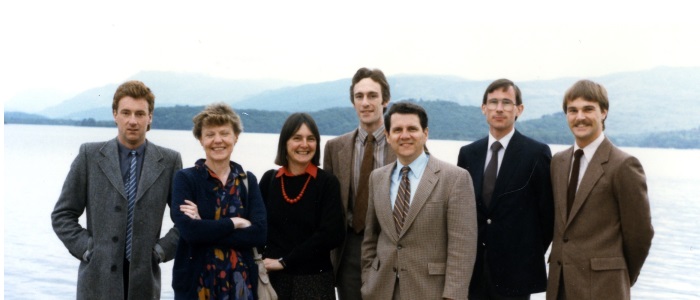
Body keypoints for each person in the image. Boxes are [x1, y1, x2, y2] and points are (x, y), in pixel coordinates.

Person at [51, 80, 182, 299]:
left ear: (150, 117)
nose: (132, 121)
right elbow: (62, 215)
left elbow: (185, 221)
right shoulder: (89, 156)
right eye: (126, 112)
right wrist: (87, 248)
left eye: (140, 114)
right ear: (115, 114)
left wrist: (160, 252)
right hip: (96, 281)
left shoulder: (169, 161)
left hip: (144, 284)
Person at [547, 80, 654, 300]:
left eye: (588, 109)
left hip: (604, 288)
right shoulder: (558, 162)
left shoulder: (623, 165)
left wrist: (619, 275)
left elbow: (640, 234)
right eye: (572, 110)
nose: (580, 117)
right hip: (559, 287)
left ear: (604, 112)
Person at [361, 102, 478, 300]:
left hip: (431, 292)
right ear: (388, 136)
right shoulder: (377, 178)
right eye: (397, 130)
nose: (405, 135)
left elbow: (462, 248)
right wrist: (368, 281)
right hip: (381, 290)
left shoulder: (455, 178)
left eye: (412, 129)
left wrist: (453, 296)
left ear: (425, 133)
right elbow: (370, 238)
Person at [457, 79, 554, 299]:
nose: (499, 109)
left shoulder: (536, 154)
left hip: (516, 275)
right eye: (493, 102)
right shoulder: (468, 154)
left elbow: (547, 217)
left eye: (507, 102)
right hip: (474, 272)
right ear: (484, 109)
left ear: (519, 109)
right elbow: (461, 212)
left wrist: (525, 255)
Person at [171, 103, 267, 299]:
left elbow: (259, 234)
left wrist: (204, 227)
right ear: (200, 139)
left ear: (236, 137)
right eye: (210, 134)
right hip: (197, 286)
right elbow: (189, 232)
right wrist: (235, 223)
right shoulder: (186, 179)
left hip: (242, 286)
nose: (218, 140)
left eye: (224, 133)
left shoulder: (248, 181)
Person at [323, 67, 396, 300]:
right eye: (359, 96)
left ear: (385, 100)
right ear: (353, 102)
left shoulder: (404, 146)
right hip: (349, 249)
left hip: (390, 247)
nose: (365, 103)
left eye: (372, 96)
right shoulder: (335, 148)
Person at [260, 113, 345, 299]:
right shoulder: (269, 180)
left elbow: (332, 234)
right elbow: (257, 228)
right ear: (285, 143)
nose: (304, 144)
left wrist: (285, 261)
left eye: (311, 139)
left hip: (314, 281)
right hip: (272, 280)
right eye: (297, 138)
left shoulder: (327, 183)